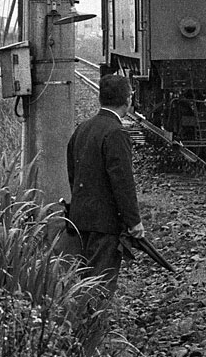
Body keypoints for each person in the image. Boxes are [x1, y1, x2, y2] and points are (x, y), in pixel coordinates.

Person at [64, 74, 144, 296]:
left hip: (79, 220)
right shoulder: (116, 133)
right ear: (127, 100)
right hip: (105, 224)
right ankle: (95, 327)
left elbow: (73, 173)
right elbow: (123, 183)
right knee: (101, 285)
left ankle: (82, 325)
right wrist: (134, 222)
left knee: (85, 280)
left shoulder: (82, 128)